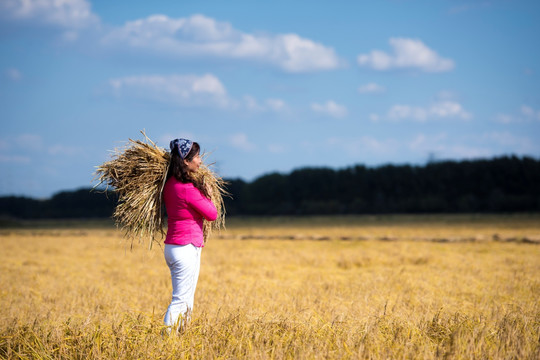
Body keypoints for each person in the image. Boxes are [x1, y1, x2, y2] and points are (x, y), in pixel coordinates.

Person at [162, 138, 217, 333]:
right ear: (186, 161)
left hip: (173, 246)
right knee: (181, 299)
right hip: (186, 247)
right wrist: (208, 195)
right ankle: (166, 341)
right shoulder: (187, 189)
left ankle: (180, 337)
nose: (200, 161)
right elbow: (212, 215)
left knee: (186, 298)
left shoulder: (169, 184)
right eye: (197, 157)